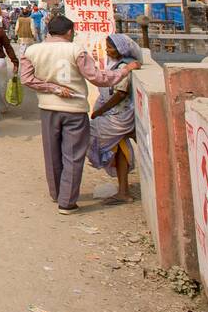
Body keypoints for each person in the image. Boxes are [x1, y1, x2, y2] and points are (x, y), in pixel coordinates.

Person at [19, 16, 140, 214]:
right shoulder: (76, 50)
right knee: (73, 155)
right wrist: (125, 70)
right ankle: (66, 202)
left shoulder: (32, 51)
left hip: (48, 109)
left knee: (52, 154)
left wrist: (51, 88)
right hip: (74, 110)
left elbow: (26, 79)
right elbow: (97, 78)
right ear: (69, 32)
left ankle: (57, 193)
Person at [87, 34, 142, 203]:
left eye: (110, 47)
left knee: (91, 137)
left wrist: (100, 111)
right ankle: (123, 190)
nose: (107, 50)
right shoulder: (117, 64)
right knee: (120, 152)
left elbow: (120, 94)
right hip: (115, 115)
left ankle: (123, 191)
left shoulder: (125, 66)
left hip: (118, 117)